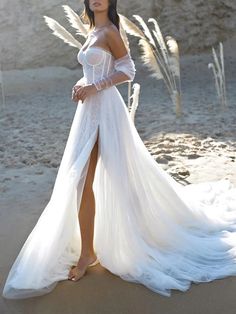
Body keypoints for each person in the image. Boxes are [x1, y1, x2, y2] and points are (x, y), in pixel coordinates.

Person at [2, 0, 236, 300]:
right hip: (89, 111)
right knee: (84, 179)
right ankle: (89, 250)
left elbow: (128, 69)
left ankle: (90, 252)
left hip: (105, 111)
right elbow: (97, 68)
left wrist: (95, 87)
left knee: (86, 177)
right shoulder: (93, 29)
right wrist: (83, 83)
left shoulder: (111, 30)